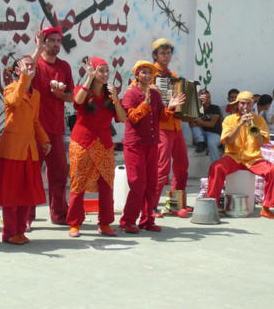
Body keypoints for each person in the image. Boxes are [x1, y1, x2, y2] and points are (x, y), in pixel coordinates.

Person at [0, 53, 51, 245]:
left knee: (27, 193)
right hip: (12, 150)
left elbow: (35, 122)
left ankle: (20, 230)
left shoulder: (37, 95)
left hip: (30, 151)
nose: (31, 68)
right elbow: (15, 101)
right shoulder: (10, 89)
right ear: (17, 71)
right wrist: (24, 78)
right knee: (11, 195)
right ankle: (9, 233)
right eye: (26, 66)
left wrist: (45, 140)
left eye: (33, 66)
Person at [120, 61, 184, 233]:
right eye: (144, 73)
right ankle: (127, 221)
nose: (148, 76)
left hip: (152, 143)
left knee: (151, 183)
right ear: (136, 75)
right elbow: (133, 118)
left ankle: (147, 220)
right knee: (138, 183)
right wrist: (145, 104)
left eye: (150, 73)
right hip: (135, 144)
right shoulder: (130, 94)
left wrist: (170, 107)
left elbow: (162, 117)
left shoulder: (156, 95)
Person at [66, 57, 126, 237]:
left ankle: (105, 223)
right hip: (81, 143)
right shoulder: (82, 89)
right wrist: (89, 78)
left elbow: (122, 118)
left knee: (107, 183)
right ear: (93, 72)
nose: (106, 74)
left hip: (104, 144)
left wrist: (115, 98)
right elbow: (77, 100)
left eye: (107, 71)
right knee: (78, 183)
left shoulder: (110, 94)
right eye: (101, 70)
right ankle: (75, 223)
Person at [206, 91, 274, 219]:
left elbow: (261, 143)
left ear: (252, 105)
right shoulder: (229, 119)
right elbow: (228, 141)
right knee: (216, 167)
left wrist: (253, 127)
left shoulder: (259, 120)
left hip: (253, 159)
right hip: (233, 157)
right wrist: (240, 124)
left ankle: (266, 207)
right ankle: (212, 205)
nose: (245, 106)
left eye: (248, 103)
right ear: (237, 104)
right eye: (242, 103)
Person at [29, 26, 74, 226]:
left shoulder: (64, 66)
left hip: (56, 128)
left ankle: (59, 215)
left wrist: (61, 95)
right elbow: (23, 73)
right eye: (51, 40)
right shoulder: (35, 63)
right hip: (34, 128)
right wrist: (37, 49)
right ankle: (26, 217)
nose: (56, 44)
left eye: (58, 40)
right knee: (31, 174)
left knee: (59, 173)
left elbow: (72, 96)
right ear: (43, 42)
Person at [151, 38, 189, 216]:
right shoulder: (151, 74)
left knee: (182, 165)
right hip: (161, 126)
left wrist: (198, 104)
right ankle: (150, 206)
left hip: (176, 126)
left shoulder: (174, 76)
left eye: (168, 53)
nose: (166, 56)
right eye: (162, 53)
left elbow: (183, 104)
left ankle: (175, 205)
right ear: (155, 55)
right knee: (162, 168)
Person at [189, 89, 222, 162]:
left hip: (214, 134)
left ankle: (216, 164)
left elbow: (211, 124)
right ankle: (201, 143)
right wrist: (199, 122)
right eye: (204, 98)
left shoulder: (215, 108)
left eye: (208, 97)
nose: (207, 100)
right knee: (195, 127)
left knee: (211, 143)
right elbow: (191, 124)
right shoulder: (196, 109)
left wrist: (201, 122)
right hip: (201, 134)